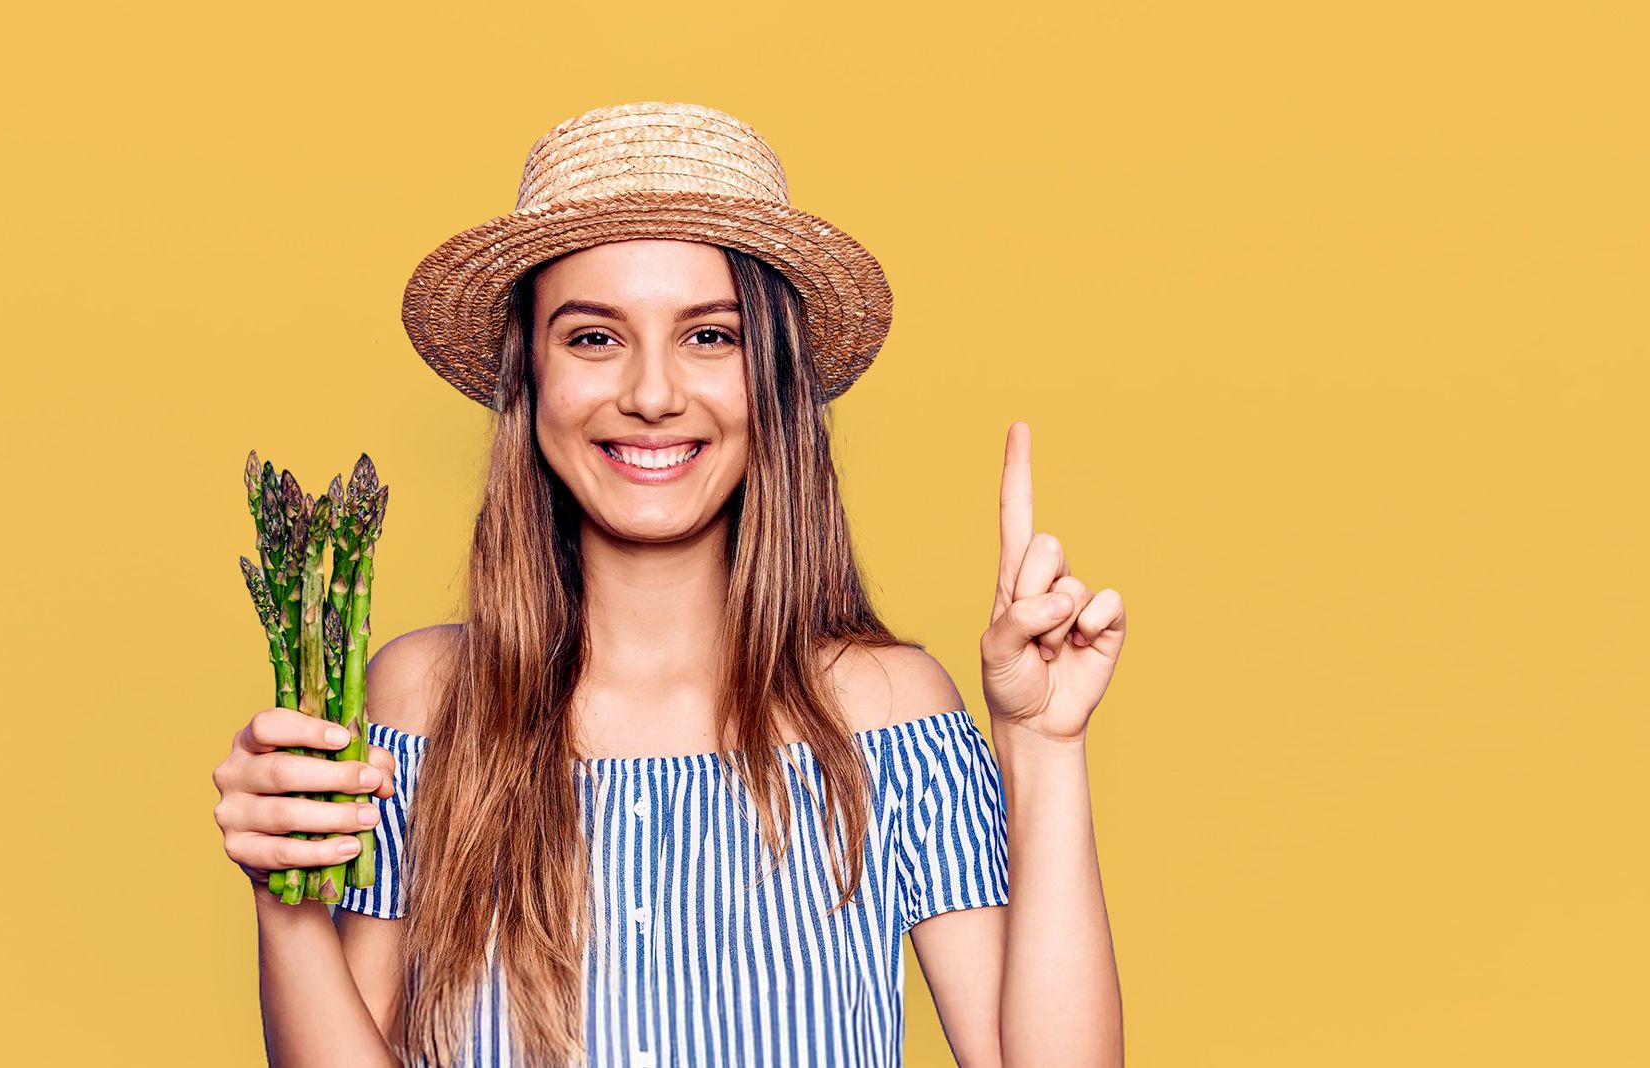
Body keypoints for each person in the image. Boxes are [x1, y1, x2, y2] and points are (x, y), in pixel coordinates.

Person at [211, 101, 1126, 1067]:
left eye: (709, 337)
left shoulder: (884, 715)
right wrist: (285, 899)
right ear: (532, 378)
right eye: (595, 338)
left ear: (769, 378)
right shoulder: (422, 707)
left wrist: (1041, 745)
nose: (652, 395)